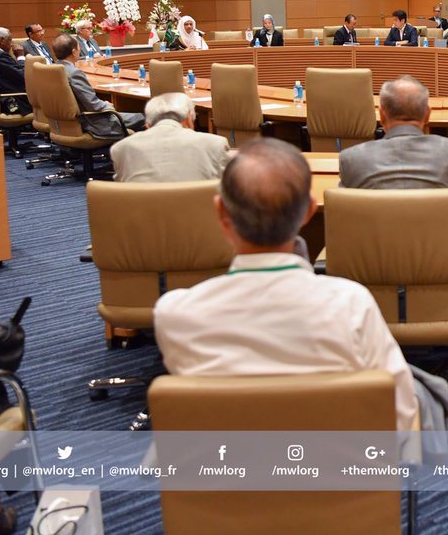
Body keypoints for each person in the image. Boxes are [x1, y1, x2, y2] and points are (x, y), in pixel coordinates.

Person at [153, 139, 420, 433]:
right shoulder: (352, 304)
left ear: (221, 213)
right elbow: (401, 415)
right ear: (309, 211)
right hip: (337, 473)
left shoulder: (175, 313)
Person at [338, 77, 448, 357]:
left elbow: (346, 216)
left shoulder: (352, 160)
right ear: (428, 114)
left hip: (372, 277)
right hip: (443, 274)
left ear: (381, 115)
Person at [110, 93, 230, 183]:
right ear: (189, 119)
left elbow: (122, 191)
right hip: (198, 214)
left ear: (148, 125)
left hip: (142, 215)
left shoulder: (120, 148)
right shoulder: (215, 144)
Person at [52, 34, 144, 138]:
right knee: (145, 117)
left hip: (62, 124)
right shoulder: (74, 73)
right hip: (92, 123)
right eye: (79, 47)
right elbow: (94, 106)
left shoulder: (52, 70)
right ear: (74, 52)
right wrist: (108, 105)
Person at [0, 27, 31, 115]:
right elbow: (22, 75)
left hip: (4, 93)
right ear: (2, 40)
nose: (12, 44)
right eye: (10, 40)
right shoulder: (0, 56)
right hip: (16, 99)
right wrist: (20, 57)